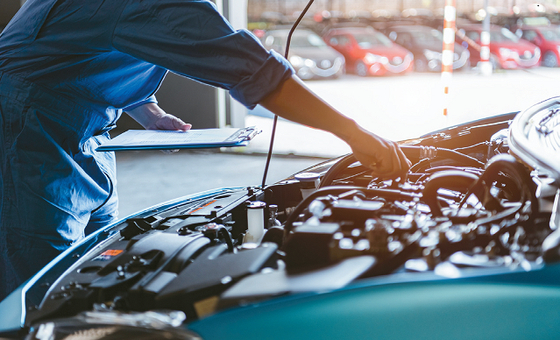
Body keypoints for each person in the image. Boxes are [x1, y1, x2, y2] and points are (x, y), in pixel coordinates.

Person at [0, 0, 410, 300]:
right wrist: (355, 134)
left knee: (98, 260)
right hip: (27, 128)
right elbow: (257, 73)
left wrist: (147, 110)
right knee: (42, 280)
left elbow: (81, 49)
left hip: (77, 124)